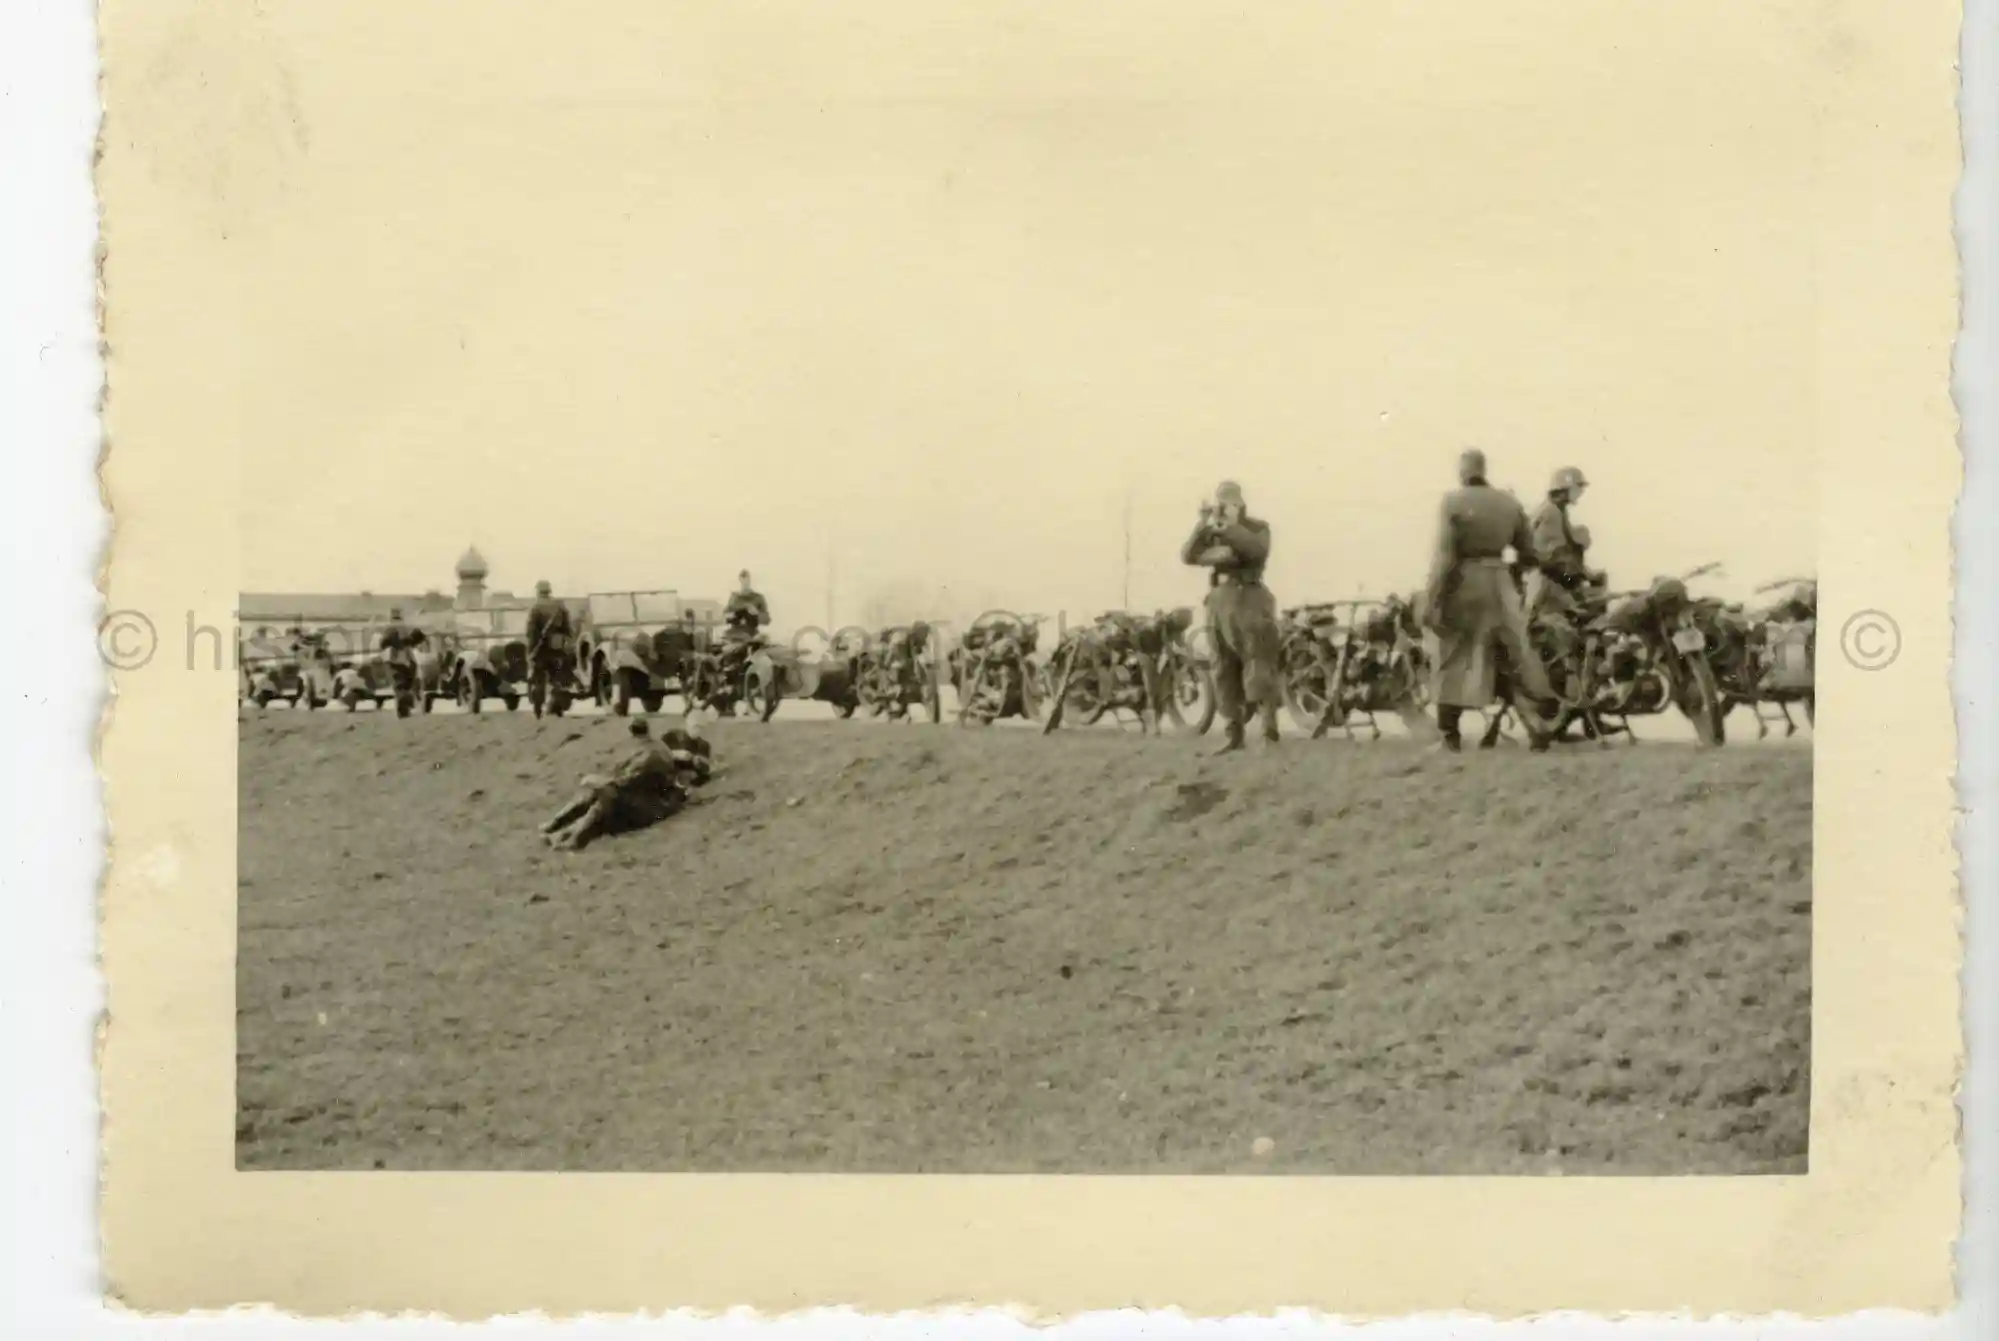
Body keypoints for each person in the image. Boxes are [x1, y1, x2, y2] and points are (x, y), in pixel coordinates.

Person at [1422, 449, 1559, 752]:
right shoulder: (1509, 502)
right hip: (1502, 585)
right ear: (1484, 470)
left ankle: (1449, 737)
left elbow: (1444, 556)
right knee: (1511, 656)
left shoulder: (1452, 502)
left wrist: (1432, 601)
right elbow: (1530, 553)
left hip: (1465, 583)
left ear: (1462, 471)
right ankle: (1538, 725)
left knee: (1450, 656)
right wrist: (1510, 574)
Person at [1180, 479, 1283, 752]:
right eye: (1221, 501)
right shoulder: (1212, 530)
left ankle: (1268, 732)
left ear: (1240, 502)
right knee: (1222, 667)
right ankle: (1233, 734)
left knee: (1258, 661)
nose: (1224, 507)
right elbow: (1189, 556)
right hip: (1219, 601)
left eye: (1230, 501)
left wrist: (1232, 527)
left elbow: (1255, 550)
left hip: (1250, 597)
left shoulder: (1257, 528)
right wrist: (1201, 525)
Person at [540, 718, 714, 851]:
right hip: (648, 800)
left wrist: (595, 780)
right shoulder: (657, 748)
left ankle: (570, 837)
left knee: (605, 795)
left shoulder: (650, 756)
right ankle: (560, 830)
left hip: (651, 806)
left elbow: (625, 782)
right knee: (600, 796)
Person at [1524, 466, 1599, 620]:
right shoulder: (1551, 513)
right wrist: (1581, 575)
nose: (1580, 493)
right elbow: (1554, 556)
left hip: (1550, 579)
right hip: (1546, 580)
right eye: (1577, 487)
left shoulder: (1556, 511)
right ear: (1565, 489)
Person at [524, 580, 574, 719]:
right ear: (549, 590)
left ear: (539, 591)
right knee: (556, 679)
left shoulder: (536, 608)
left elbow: (531, 632)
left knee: (539, 680)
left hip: (541, 650)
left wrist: (531, 651)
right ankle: (557, 710)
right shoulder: (560, 607)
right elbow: (568, 630)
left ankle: (538, 711)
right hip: (558, 649)